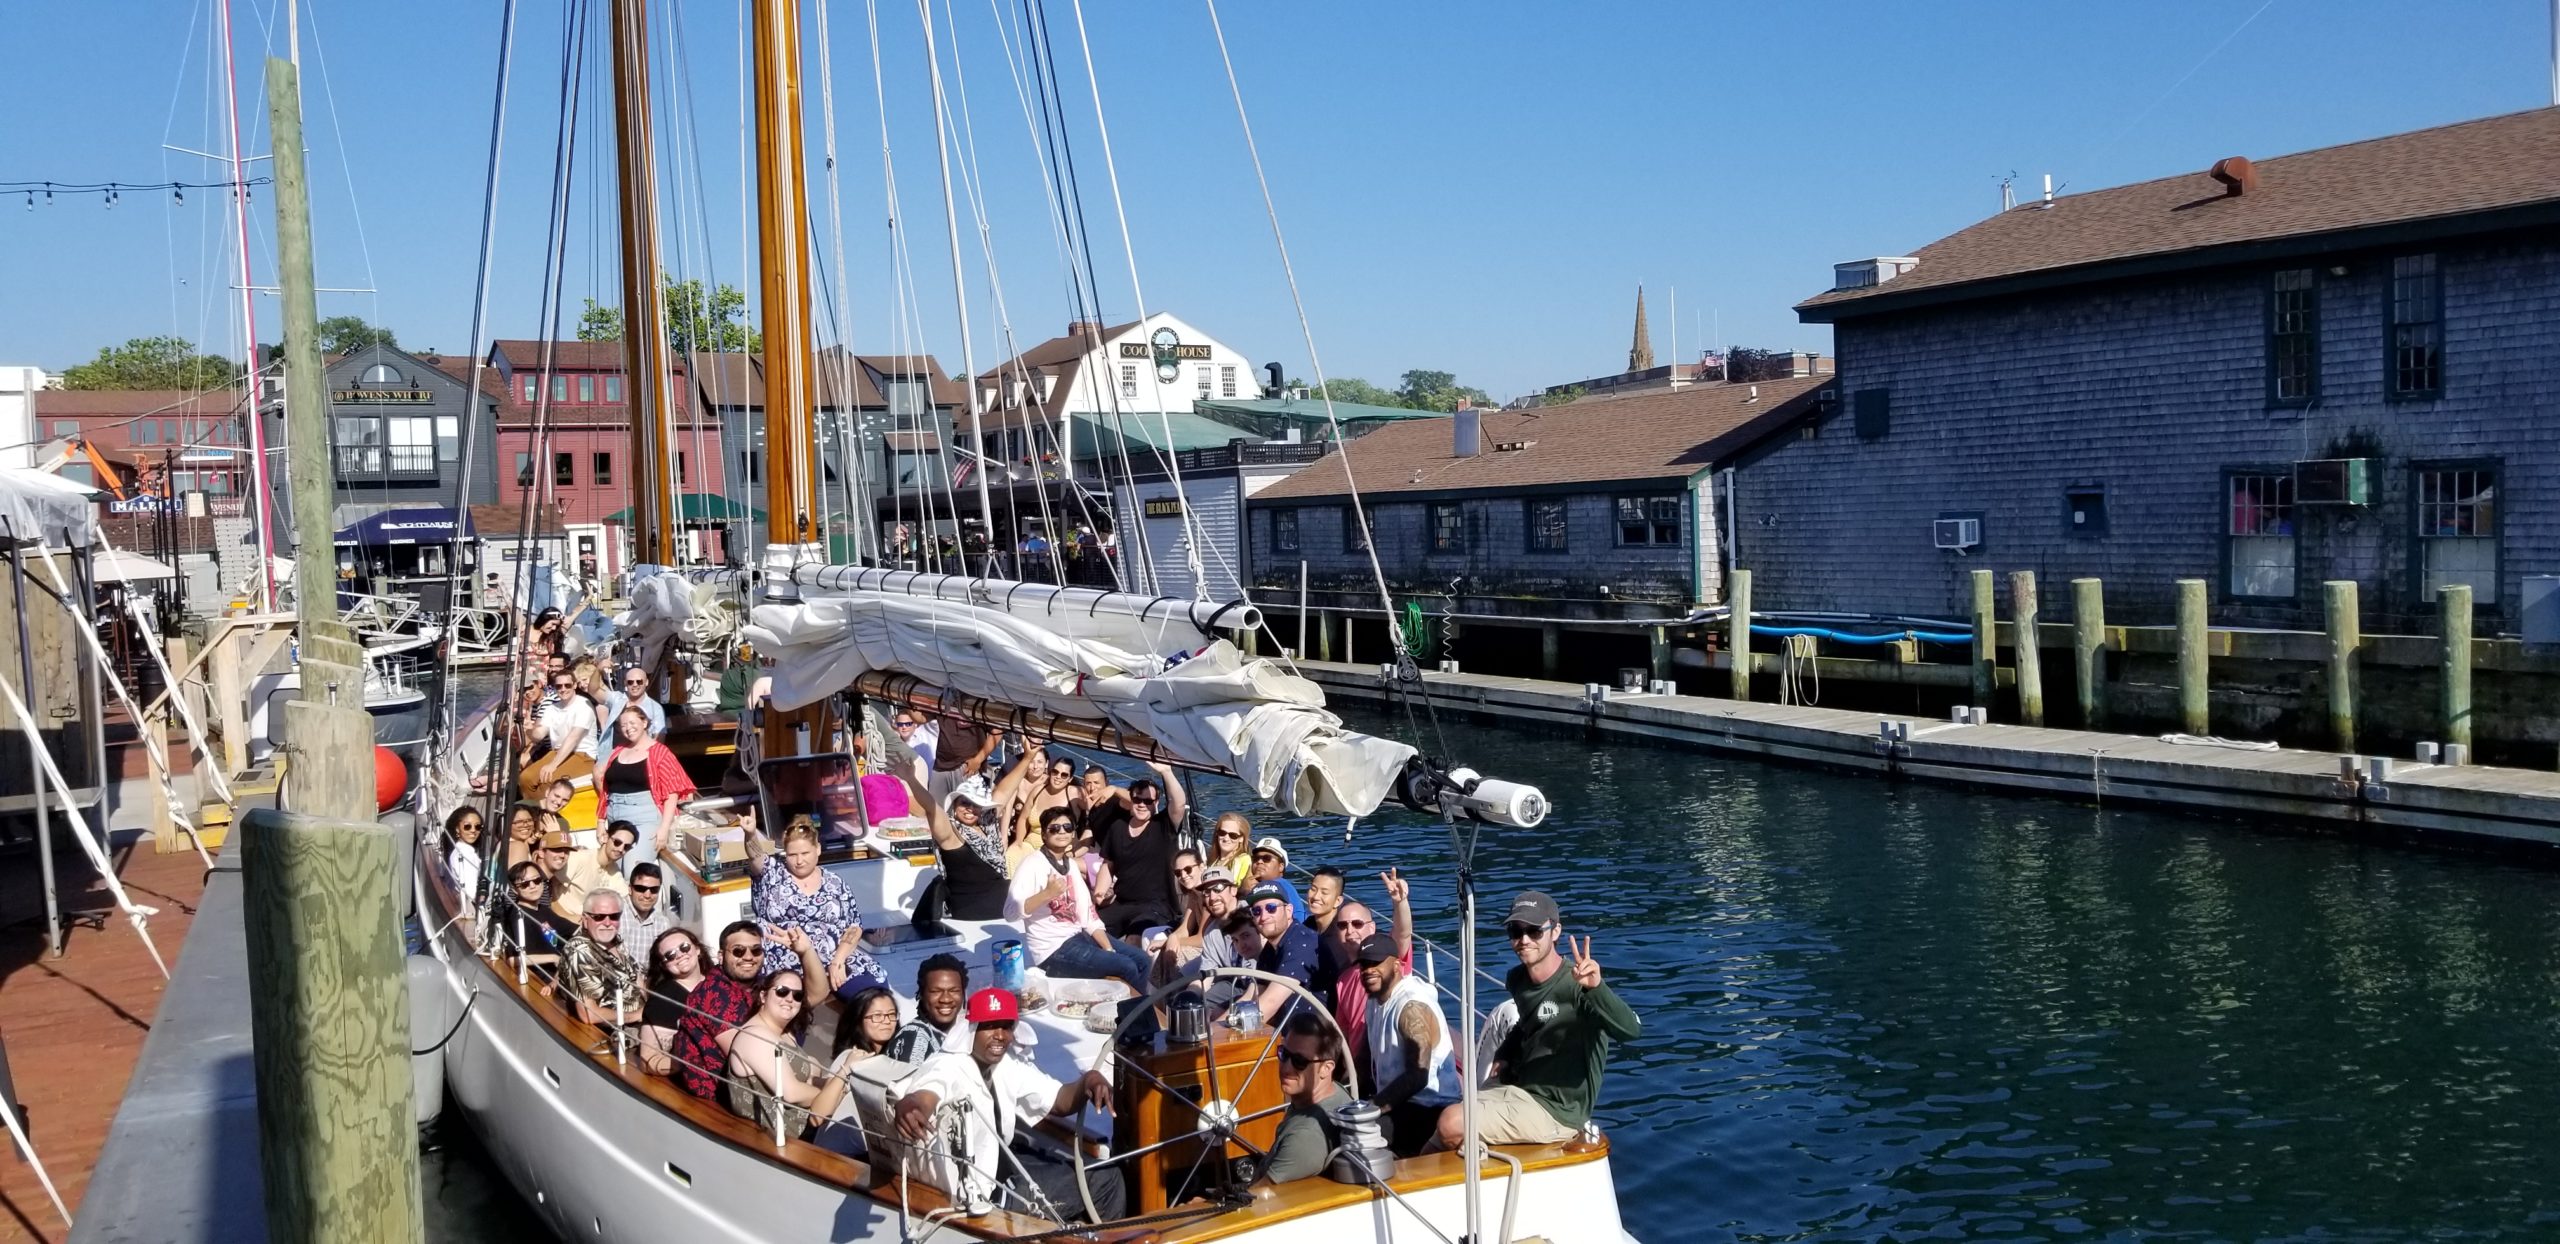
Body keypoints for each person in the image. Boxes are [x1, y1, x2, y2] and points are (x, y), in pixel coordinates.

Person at [892, 989, 1125, 1222]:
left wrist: (1089, 1079)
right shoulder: (947, 1065)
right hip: (988, 1194)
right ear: (971, 1029)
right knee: (1107, 1178)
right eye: (990, 1026)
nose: (1000, 1035)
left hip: (1001, 1169)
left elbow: (1059, 1101)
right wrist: (912, 1105)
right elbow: (926, 1094)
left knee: (1083, 1168)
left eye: (1006, 1026)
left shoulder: (1006, 1065)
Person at [1433, 892, 1641, 1151]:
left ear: (1555, 931)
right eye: (1516, 931)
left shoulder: (1579, 986)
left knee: (1452, 1123)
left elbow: (1631, 1030)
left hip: (1557, 1111)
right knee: (1434, 1134)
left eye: (1534, 931)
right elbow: (1527, 1024)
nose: (1524, 940)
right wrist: (1505, 1053)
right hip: (1519, 1089)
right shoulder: (1518, 980)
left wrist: (1596, 988)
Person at [1006, 807, 1152, 993]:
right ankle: (1136, 1016)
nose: (1062, 832)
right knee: (1127, 966)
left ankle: (1139, 1010)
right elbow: (1010, 912)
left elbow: (1088, 917)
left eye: (1067, 827)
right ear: (1043, 834)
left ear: (1073, 833)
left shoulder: (1071, 866)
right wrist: (1047, 894)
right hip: (1052, 951)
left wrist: (1108, 948)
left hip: (1079, 936)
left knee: (1142, 960)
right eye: (1054, 828)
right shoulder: (1032, 864)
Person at [744, 814, 873, 994]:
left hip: (831, 958)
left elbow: (853, 926)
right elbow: (755, 857)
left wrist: (839, 960)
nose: (799, 861)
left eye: (805, 853)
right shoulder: (771, 874)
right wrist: (750, 834)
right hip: (782, 958)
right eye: (792, 855)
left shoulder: (835, 883)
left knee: (871, 986)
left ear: (818, 849)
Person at [1357, 931, 1458, 1156]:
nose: (1368, 970)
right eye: (1364, 964)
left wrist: (1371, 1108)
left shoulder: (1411, 1007)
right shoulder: (1375, 999)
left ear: (1396, 965)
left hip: (1430, 1107)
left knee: (1356, 1138)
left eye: (1376, 963)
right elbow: (1364, 1060)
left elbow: (1417, 1077)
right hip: (1399, 1102)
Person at [724, 970, 852, 1136]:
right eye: (782, 991)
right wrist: (832, 1097)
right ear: (763, 996)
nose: (790, 999)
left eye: (798, 995)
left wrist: (836, 1085)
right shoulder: (755, 1037)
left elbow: (804, 1078)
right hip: (783, 1138)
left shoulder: (785, 1034)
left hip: (805, 1125)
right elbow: (791, 1093)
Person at [1330, 869, 1416, 1083]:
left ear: (1372, 927)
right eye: (1342, 926)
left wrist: (1399, 903)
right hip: (1361, 1070)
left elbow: (1403, 932)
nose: (1350, 931)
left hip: (1390, 1062)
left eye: (1357, 924)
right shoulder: (1343, 981)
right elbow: (1344, 1033)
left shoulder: (1389, 960)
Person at [592, 703, 695, 870]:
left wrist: (664, 828)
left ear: (644, 723)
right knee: (612, 869)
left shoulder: (660, 752)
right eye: (624, 725)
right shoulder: (617, 751)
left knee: (633, 869)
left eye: (632, 723)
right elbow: (605, 791)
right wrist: (600, 822)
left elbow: (672, 794)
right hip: (616, 817)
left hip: (645, 817)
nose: (628, 728)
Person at [674, 921, 768, 1100]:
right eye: (739, 951)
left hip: (750, 1082)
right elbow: (745, 1056)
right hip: (723, 1095)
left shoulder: (759, 984)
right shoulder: (714, 992)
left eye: (756, 950)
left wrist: (805, 953)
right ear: (721, 956)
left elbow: (816, 995)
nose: (748, 957)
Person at [1093, 763, 1185, 938]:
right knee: (1091, 931)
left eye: (1148, 801)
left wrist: (1166, 771)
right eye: (1137, 800)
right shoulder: (1117, 828)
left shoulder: (1164, 825)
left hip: (1156, 905)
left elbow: (1179, 804)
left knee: (1134, 938)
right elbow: (1108, 864)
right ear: (1131, 800)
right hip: (1121, 903)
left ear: (1156, 803)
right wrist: (1100, 892)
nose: (1142, 805)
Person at [1261, 1010, 1351, 1185]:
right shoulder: (1335, 1091)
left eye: (1299, 1061)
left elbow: (1259, 1199)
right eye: (1283, 1054)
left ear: (1326, 1068)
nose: (1286, 1068)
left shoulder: (1305, 1137)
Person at [906, 770, 1009, 921]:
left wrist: (1027, 759)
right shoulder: (951, 832)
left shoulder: (988, 825)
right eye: (965, 803)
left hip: (1005, 910)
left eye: (976, 804)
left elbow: (1005, 790)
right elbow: (931, 808)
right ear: (954, 805)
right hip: (973, 915)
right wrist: (910, 779)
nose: (970, 809)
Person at [559, 889, 648, 1025]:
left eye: (614, 916)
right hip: (617, 1030)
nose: (607, 923)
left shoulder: (616, 942)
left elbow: (640, 984)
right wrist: (637, 1015)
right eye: (599, 917)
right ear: (585, 919)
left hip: (642, 1017)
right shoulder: (580, 951)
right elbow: (589, 1014)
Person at [1244, 881, 1320, 1022]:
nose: (1264, 917)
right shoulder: (1270, 948)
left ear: (1289, 911)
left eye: (1271, 908)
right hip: (1286, 1032)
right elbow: (1251, 996)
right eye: (1256, 911)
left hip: (1313, 1036)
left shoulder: (1302, 942)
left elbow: (1270, 1003)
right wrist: (1213, 1029)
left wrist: (1220, 1037)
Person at [637, 926, 707, 1075]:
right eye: (670, 955)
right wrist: (695, 1064)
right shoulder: (662, 1001)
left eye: (684, 947)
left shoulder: (718, 983)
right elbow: (648, 1060)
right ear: (664, 965)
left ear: (698, 949)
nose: (680, 955)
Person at [888, 954, 971, 1064]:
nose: (946, 999)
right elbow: (912, 1081)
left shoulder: (964, 1028)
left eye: (954, 991)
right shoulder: (916, 1038)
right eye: (935, 991)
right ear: (922, 994)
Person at [552, 819, 634, 922]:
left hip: (591, 926)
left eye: (627, 846)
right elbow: (549, 888)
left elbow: (626, 900)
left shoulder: (615, 872)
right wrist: (566, 917)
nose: (621, 849)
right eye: (617, 842)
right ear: (605, 837)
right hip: (562, 920)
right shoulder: (580, 858)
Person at [594, 664, 668, 749]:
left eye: (639, 681)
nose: (635, 684)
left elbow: (659, 738)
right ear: (625, 683)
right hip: (615, 753)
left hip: (642, 754)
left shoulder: (656, 708)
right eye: (630, 682)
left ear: (646, 682)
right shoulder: (617, 699)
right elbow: (594, 690)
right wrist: (598, 670)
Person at [1303, 866, 1347, 997]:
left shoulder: (1341, 934)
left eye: (1324, 892)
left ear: (1337, 901)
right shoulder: (1308, 925)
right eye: (1313, 889)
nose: (1316, 896)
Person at [620, 862, 672, 969]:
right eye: (641, 889)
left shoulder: (662, 924)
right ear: (630, 889)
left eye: (654, 890)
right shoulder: (616, 913)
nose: (647, 895)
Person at [833, 985, 901, 1062]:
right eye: (877, 1015)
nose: (887, 1021)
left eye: (891, 1014)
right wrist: (845, 1069)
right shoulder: (849, 1059)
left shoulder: (900, 1054)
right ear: (858, 1020)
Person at [1247, 838, 1309, 922]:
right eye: (1256, 858)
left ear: (1281, 867)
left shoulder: (1280, 885)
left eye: (1266, 858)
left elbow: (1299, 918)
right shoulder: (1253, 885)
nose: (1259, 862)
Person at [443, 806, 486, 906]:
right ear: (457, 829)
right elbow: (471, 892)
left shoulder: (457, 849)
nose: (473, 830)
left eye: (478, 827)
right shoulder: (466, 854)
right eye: (467, 826)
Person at [1205, 811, 1253, 886]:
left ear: (1241, 838)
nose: (1226, 838)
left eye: (1233, 835)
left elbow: (1235, 886)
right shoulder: (1213, 861)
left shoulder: (1243, 860)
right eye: (1222, 833)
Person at [502, 801, 544, 869]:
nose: (526, 825)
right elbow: (519, 878)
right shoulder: (517, 846)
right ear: (507, 824)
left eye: (529, 820)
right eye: (518, 822)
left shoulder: (507, 843)